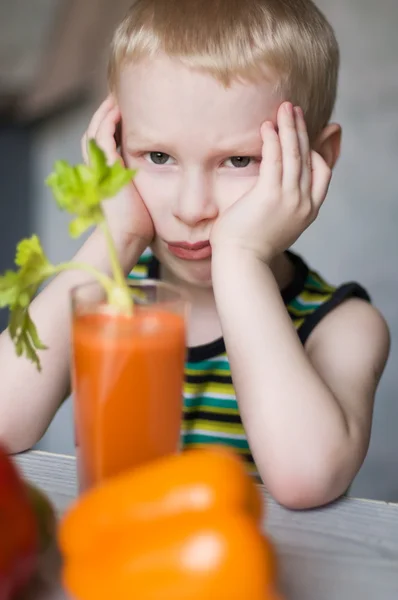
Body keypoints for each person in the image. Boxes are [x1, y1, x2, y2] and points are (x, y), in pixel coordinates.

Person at [0, 0, 390, 509]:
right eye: (157, 156)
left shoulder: (342, 325)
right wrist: (114, 240)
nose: (191, 207)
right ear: (115, 147)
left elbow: (306, 479)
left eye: (238, 160)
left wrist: (241, 259)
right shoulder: (111, 296)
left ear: (318, 159)